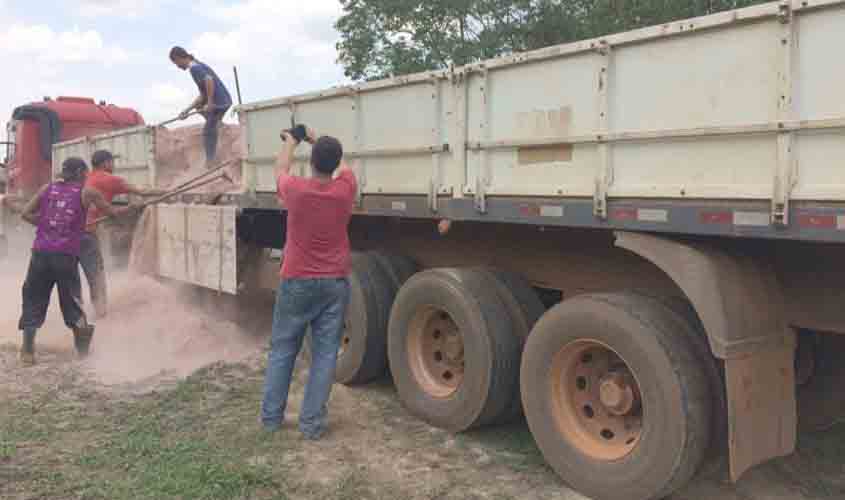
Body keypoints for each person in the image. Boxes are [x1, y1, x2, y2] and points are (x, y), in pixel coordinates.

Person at [261, 126, 357, 440]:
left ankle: (272, 418)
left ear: (312, 161)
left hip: (297, 280)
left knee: (283, 349)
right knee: (325, 354)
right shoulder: (345, 189)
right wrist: (317, 139)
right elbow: (344, 168)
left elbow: (280, 170)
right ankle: (311, 424)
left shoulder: (296, 190)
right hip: (334, 283)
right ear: (335, 162)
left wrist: (292, 141)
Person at [18, 157, 125, 366]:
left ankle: (27, 352)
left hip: (40, 254)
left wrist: (49, 226)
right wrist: (131, 209)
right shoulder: (87, 192)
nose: (86, 177)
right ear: (79, 173)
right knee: (72, 302)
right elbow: (113, 214)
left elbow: (25, 214)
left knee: (33, 299)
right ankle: (83, 354)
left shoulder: (47, 188)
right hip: (65, 257)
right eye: (85, 173)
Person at [82, 149, 161, 319]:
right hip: (87, 234)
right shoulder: (111, 180)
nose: (114, 165)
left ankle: (77, 313)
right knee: (96, 274)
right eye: (112, 162)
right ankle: (100, 313)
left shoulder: (87, 177)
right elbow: (142, 192)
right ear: (106, 163)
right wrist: (166, 191)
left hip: (71, 232)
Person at [169, 46, 233, 166]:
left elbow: (209, 80)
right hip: (224, 100)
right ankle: (217, 123)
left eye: (176, 63)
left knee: (208, 130)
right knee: (199, 107)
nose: (177, 66)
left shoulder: (194, 68)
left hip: (219, 103)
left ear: (178, 58)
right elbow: (202, 95)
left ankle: (210, 160)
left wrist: (210, 102)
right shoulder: (197, 64)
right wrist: (187, 111)